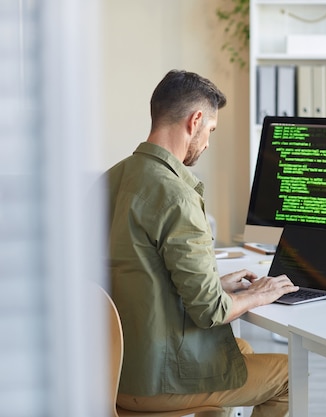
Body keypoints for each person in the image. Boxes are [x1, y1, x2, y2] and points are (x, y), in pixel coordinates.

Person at [105, 69, 299, 417]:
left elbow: (135, 275)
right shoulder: (177, 196)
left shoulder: (112, 179)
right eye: (210, 130)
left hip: (110, 370)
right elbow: (211, 312)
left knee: (241, 352)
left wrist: (215, 284)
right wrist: (259, 293)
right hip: (156, 381)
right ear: (195, 121)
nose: (208, 143)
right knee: (293, 375)